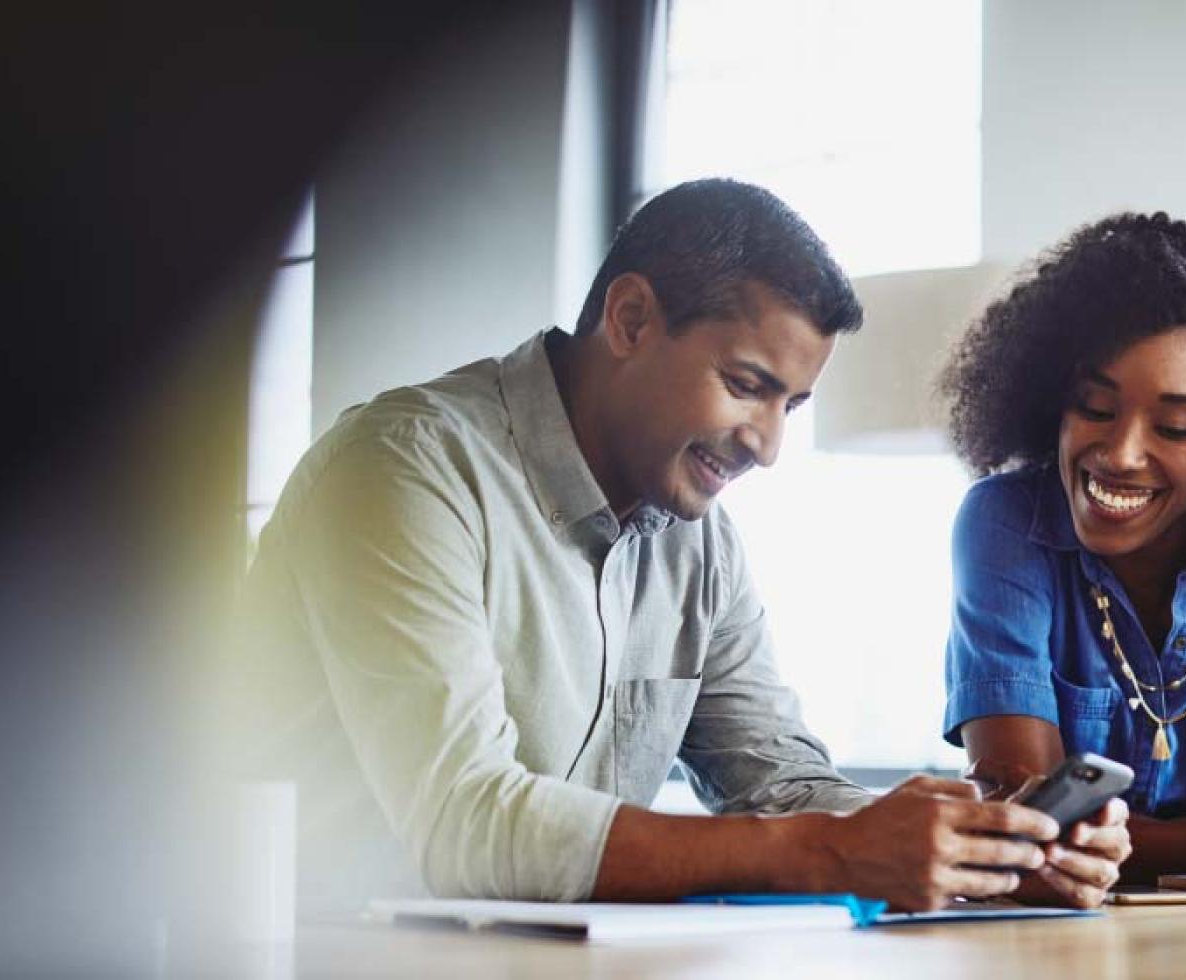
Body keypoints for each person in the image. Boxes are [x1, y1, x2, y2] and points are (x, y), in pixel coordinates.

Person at [239, 178, 1122, 914]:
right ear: (629, 319)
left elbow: (776, 779)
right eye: (746, 386)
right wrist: (831, 853)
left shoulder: (697, 544)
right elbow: (466, 823)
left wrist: (987, 845)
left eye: (792, 406)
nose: (767, 445)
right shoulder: (403, 469)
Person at [940, 212, 1186, 888]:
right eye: (1094, 409)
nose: (1119, 454)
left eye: (1174, 427)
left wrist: (1125, 839)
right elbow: (1032, 819)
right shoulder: (1006, 523)